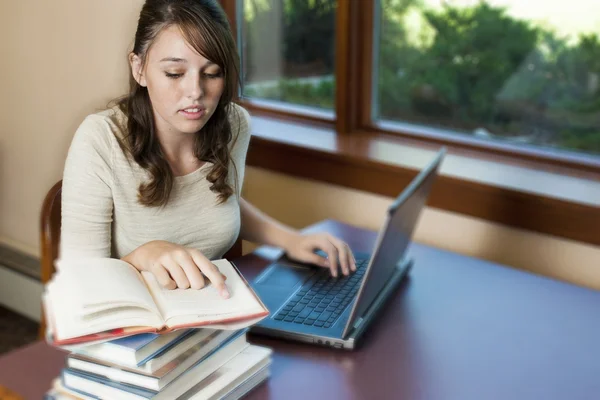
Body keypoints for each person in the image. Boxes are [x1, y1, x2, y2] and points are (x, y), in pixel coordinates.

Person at [60, 0, 356, 299]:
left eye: (212, 73)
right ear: (139, 68)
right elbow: (81, 285)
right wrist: (142, 257)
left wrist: (291, 240)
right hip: (129, 328)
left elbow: (221, 202)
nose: (196, 92)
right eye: (175, 73)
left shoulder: (233, 124)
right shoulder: (101, 139)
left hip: (211, 310)